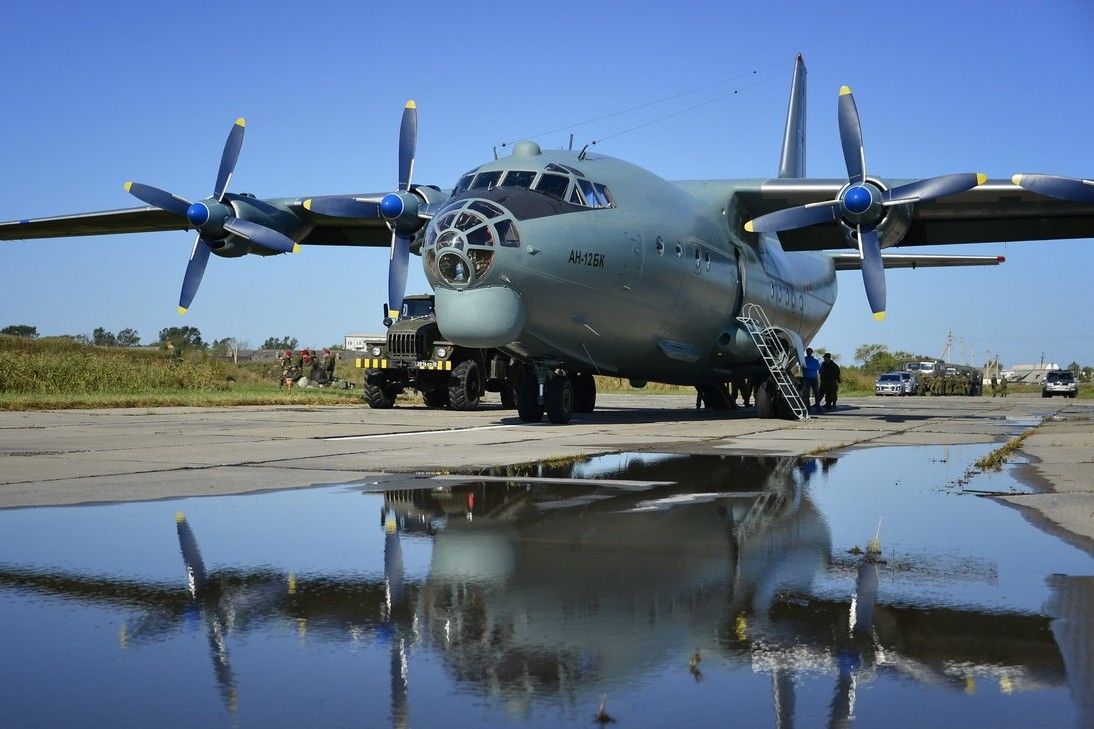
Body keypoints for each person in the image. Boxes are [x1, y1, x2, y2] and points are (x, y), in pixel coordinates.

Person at [802, 347, 821, 412]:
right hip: (807, 378)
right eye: (808, 351)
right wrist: (810, 368)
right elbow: (803, 367)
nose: (809, 353)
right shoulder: (804, 360)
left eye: (810, 351)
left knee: (816, 393)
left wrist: (808, 367)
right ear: (806, 352)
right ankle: (808, 407)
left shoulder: (815, 360)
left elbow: (817, 367)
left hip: (813, 378)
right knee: (806, 393)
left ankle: (818, 407)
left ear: (812, 352)